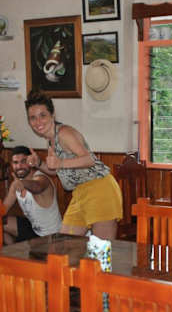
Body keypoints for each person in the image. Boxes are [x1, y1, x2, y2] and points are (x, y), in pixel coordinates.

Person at [24, 90, 122, 240]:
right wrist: (39, 163)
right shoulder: (50, 140)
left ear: (52, 115)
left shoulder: (64, 133)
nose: (38, 122)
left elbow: (89, 159)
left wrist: (60, 163)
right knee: (64, 246)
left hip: (101, 190)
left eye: (42, 115)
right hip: (80, 193)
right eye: (33, 118)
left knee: (101, 250)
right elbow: (56, 170)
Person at [2, 145, 62, 244]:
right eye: (16, 162)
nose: (19, 166)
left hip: (52, 237)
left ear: (31, 162)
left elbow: (37, 187)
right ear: (12, 165)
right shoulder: (16, 184)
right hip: (33, 230)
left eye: (23, 161)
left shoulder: (42, 179)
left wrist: (23, 183)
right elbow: (3, 209)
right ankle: (12, 250)